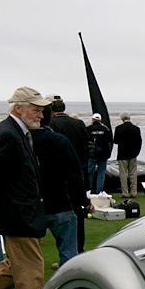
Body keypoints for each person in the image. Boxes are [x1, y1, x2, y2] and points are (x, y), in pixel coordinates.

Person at [0, 87, 50, 289]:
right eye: (36, 110)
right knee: (32, 270)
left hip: (21, 213)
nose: (41, 116)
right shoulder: (8, 134)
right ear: (18, 108)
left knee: (12, 268)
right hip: (17, 215)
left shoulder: (16, 132)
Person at [35, 104, 88, 270]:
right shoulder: (59, 140)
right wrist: (82, 200)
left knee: (25, 256)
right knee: (69, 254)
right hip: (59, 200)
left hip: (33, 202)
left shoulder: (22, 140)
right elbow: (74, 174)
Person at [46, 95, 90, 253]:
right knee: (78, 213)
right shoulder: (78, 123)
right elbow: (86, 143)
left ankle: (67, 253)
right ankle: (79, 249)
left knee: (62, 216)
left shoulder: (52, 125)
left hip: (59, 175)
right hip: (78, 169)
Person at [113, 112, 142, 197]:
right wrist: (137, 152)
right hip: (133, 153)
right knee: (133, 174)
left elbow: (115, 141)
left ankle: (125, 192)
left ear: (122, 119)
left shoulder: (118, 128)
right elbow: (139, 142)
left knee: (123, 174)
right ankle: (134, 192)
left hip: (122, 153)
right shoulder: (136, 129)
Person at [86, 112, 113, 194]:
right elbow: (110, 141)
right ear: (100, 120)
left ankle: (88, 189)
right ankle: (99, 190)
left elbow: (85, 140)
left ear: (93, 119)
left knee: (89, 171)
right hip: (103, 154)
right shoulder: (105, 129)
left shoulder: (88, 128)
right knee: (101, 172)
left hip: (92, 154)